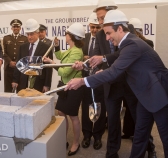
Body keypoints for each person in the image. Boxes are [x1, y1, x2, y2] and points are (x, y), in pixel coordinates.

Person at [66, 9, 168, 158]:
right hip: (144, 96)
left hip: (159, 95)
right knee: (140, 133)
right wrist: (89, 66)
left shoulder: (132, 44)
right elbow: (115, 64)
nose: (107, 38)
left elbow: (114, 71)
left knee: (166, 137)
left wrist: (82, 81)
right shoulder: (126, 44)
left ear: (119, 29)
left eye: (108, 33)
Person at [44, 23, 85, 156]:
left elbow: (64, 72)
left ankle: (75, 143)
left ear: (71, 36)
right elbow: (61, 57)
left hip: (73, 88)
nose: (65, 35)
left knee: (73, 116)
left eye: (67, 33)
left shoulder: (77, 52)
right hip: (64, 87)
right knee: (61, 113)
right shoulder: (70, 49)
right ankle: (63, 139)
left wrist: (51, 63)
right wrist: (56, 47)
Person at [122, 19, 154, 139]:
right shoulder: (126, 45)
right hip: (129, 85)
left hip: (141, 85)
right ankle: (129, 132)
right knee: (129, 112)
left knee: (141, 118)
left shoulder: (147, 43)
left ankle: (150, 146)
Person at [81, 13, 106, 150]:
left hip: (101, 79)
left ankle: (97, 136)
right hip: (86, 79)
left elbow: (108, 57)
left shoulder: (105, 38)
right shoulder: (84, 38)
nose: (95, 30)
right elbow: (77, 55)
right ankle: (86, 135)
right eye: (92, 27)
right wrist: (84, 58)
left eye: (97, 27)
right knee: (86, 107)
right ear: (89, 26)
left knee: (100, 107)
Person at [12, 19, 53, 93]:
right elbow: (19, 65)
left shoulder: (46, 48)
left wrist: (47, 85)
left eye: (31, 34)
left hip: (39, 83)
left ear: (38, 33)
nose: (29, 37)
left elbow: (48, 68)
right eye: (28, 34)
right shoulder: (22, 47)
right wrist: (15, 80)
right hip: (23, 83)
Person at [3, 19, 28, 92]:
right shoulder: (6, 38)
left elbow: (25, 53)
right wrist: (9, 61)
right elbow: (3, 52)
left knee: (21, 90)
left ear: (20, 28)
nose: (16, 28)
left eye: (17, 27)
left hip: (20, 67)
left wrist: (18, 62)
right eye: (14, 27)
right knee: (8, 90)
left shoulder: (25, 38)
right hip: (9, 68)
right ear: (11, 28)